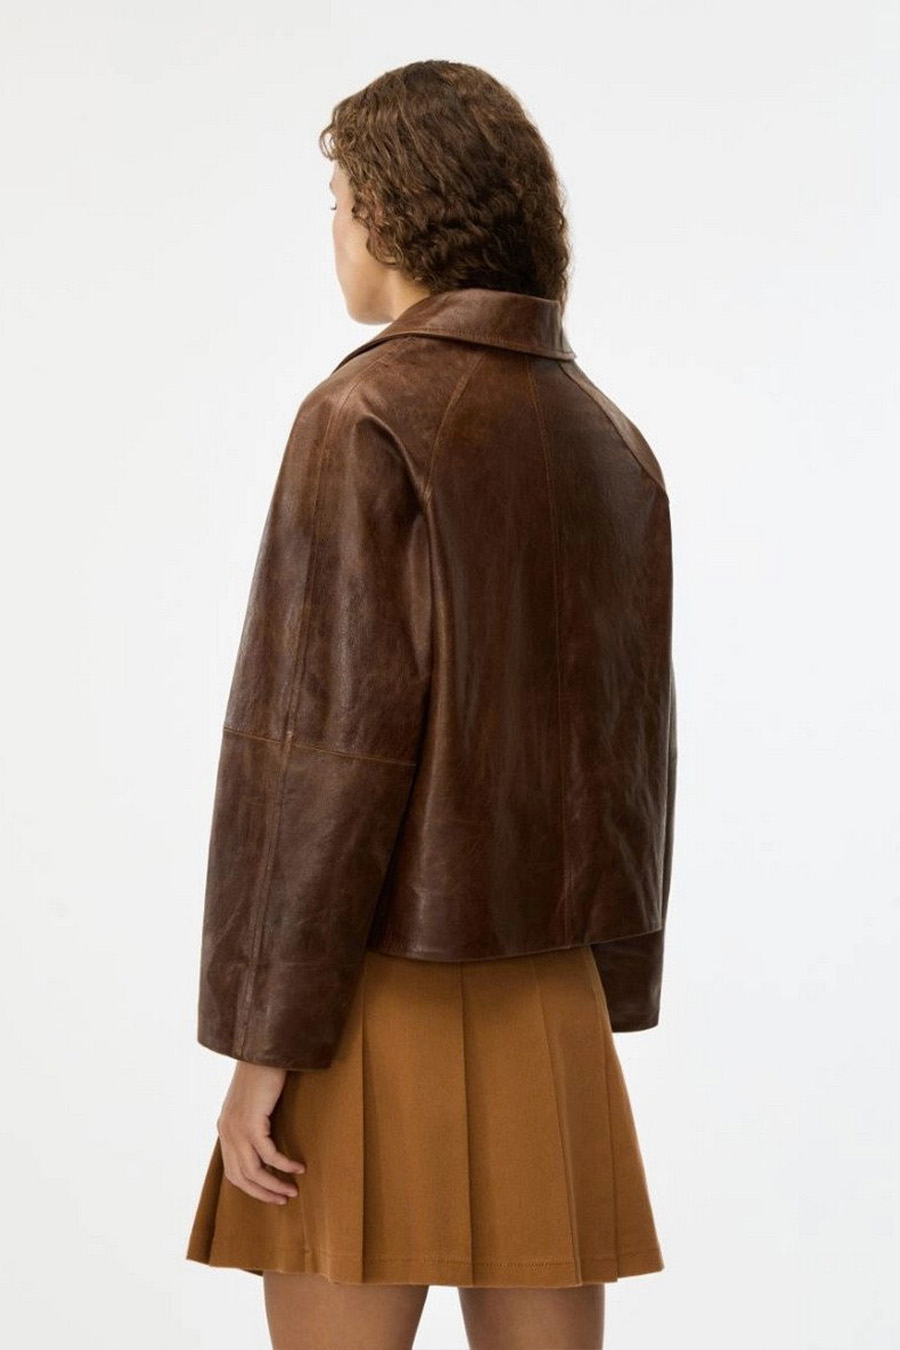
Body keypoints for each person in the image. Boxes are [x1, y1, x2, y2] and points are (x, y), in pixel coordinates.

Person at [185, 59, 677, 1350]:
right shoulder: (609, 439)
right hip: (551, 994)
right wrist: (615, 971)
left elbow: (323, 750)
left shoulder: (362, 414)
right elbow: (632, 747)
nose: (336, 228)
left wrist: (263, 1041)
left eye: (341, 199)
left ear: (396, 214)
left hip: (366, 996)